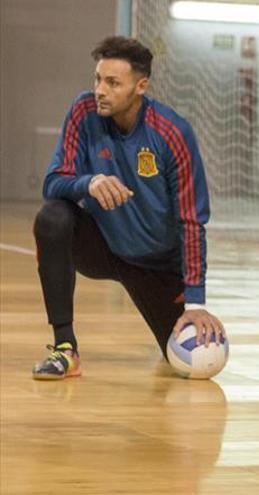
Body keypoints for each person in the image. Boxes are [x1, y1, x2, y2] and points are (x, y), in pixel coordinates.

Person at [31, 36, 224, 380]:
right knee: (52, 218)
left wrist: (196, 304)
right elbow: (53, 182)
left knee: (191, 362)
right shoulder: (84, 111)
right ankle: (65, 348)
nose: (100, 90)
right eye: (97, 79)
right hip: (104, 248)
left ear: (141, 86)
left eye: (112, 82)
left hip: (157, 265)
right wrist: (87, 182)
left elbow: (192, 220)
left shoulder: (172, 133)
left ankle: (169, 324)